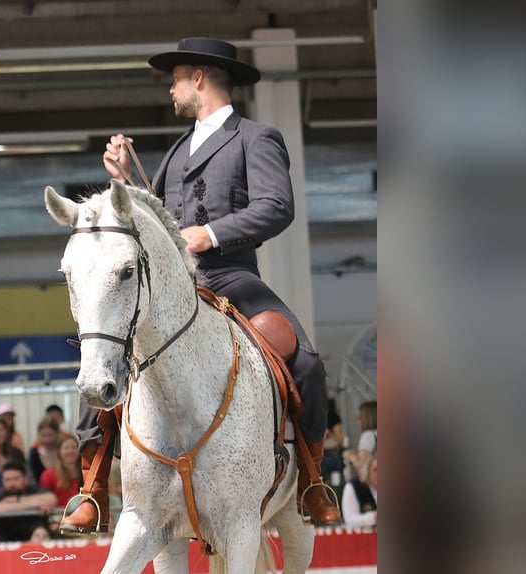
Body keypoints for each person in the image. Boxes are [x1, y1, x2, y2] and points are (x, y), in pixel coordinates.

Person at [59, 37, 339, 535]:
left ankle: (313, 480)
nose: (170, 89)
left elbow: (277, 205)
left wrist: (209, 233)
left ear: (200, 78)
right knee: (108, 353)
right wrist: (127, 178)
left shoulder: (257, 137)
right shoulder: (175, 150)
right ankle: (94, 484)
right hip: (174, 290)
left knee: (307, 363)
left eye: (175, 78)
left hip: (232, 275)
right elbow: (158, 223)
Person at [0, 462, 58, 542]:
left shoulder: (33, 489)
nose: (11, 484)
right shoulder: (2, 494)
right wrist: (32, 504)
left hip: (35, 538)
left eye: (16, 479)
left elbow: (51, 499)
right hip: (8, 540)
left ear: (26, 479)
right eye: (7, 480)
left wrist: (17, 499)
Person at [39, 434, 82, 508]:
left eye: (74, 448)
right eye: (66, 448)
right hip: (57, 516)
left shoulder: (86, 474)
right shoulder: (48, 475)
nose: (70, 451)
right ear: (59, 451)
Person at [343, 400, 377, 480]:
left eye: (359, 418)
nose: (357, 422)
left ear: (367, 418)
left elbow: (361, 466)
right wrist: (357, 452)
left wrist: (350, 457)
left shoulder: (367, 435)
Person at [341, 455, 377, 528]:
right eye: (376, 470)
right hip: (362, 536)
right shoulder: (353, 487)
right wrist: (373, 517)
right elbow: (350, 521)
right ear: (368, 471)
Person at [27, 416, 62, 485]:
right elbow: (33, 479)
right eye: (43, 435)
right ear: (39, 435)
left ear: (57, 434)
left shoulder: (63, 452)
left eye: (50, 435)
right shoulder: (34, 453)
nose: (47, 439)